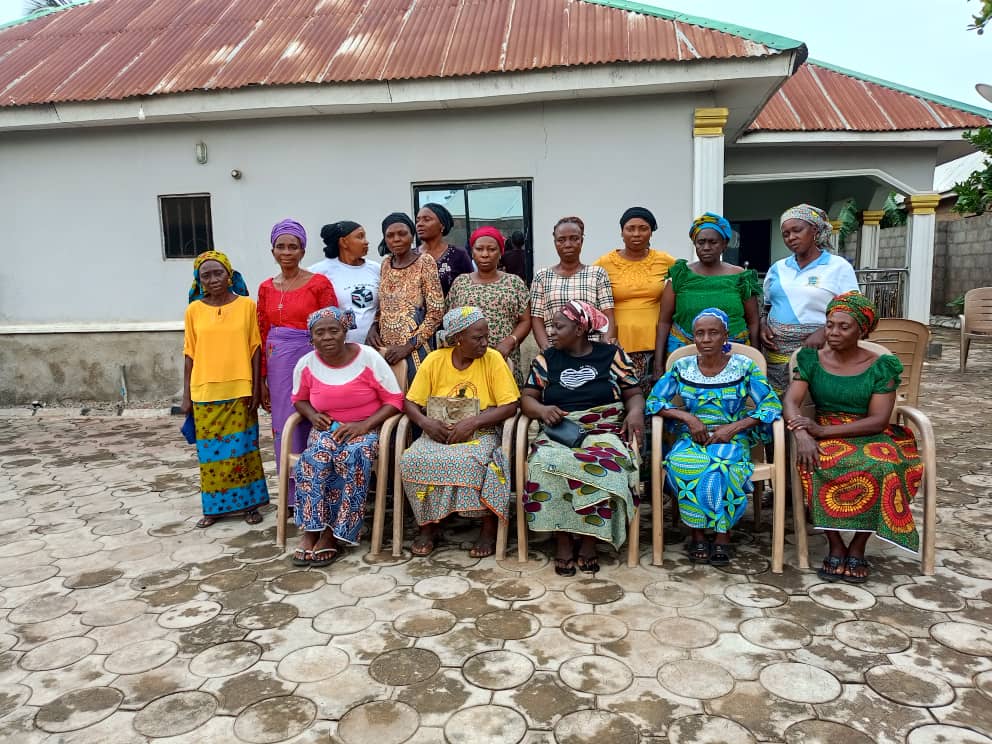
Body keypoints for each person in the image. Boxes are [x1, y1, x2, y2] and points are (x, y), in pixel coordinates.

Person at [784, 292, 922, 584]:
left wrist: (821, 432)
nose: (833, 332)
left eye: (843, 327)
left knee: (883, 466)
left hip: (868, 432)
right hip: (823, 429)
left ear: (863, 330)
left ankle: (858, 546)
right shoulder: (811, 359)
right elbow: (791, 401)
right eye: (830, 324)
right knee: (814, 461)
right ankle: (835, 544)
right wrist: (802, 432)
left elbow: (878, 420)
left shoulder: (881, 365)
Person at [646, 308, 782, 566]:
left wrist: (733, 428)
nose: (706, 339)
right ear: (693, 338)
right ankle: (697, 533)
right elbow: (654, 401)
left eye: (713, 333)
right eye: (700, 333)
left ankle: (722, 534)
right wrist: (688, 418)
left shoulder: (744, 367)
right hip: (693, 437)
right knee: (683, 463)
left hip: (732, 436)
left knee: (721, 466)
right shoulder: (682, 367)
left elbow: (771, 405)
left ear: (725, 336)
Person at [521, 301, 644, 575]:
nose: (551, 332)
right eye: (551, 325)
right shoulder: (546, 359)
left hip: (604, 430)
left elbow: (633, 393)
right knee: (543, 465)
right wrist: (542, 409)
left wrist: (635, 412)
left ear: (578, 329)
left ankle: (589, 540)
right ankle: (562, 540)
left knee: (606, 465)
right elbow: (527, 399)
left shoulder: (611, 355)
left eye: (558, 326)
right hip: (561, 431)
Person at [399, 307, 519, 558]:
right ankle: (429, 526)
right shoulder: (434, 360)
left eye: (486, 336)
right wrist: (425, 423)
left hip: (481, 432)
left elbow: (510, 405)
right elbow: (410, 402)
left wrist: (472, 423)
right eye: (478, 338)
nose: (485, 343)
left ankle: (487, 528)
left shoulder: (493, 359)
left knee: (472, 461)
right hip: (438, 431)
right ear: (457, 338)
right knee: (412, 459)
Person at [290, 307, 405, 567]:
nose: (327, 337)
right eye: (320, 332)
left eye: (334, 330)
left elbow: (395, 400)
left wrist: (364, 425)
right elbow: (299, 399)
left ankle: (333, 534)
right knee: (313, 460)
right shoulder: (306, 364)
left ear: (346, 333)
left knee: (351, 457)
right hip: (327, 429)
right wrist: (311, 415)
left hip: (366, 428)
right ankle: (311, 531)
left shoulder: (368, 357)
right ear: (312, 338)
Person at [181, 251, 269, 528]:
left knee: (243, 451)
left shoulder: (247, 306)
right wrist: (186, 395)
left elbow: (255, 349)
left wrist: (256, 387)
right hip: (205, 392)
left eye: (218, 273)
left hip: (240, 389)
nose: (213, 279)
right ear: (199, 281)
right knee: (210, 455)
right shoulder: (193, 310)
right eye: (205, 275)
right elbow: (189, 353)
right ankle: (214, 508)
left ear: (229, 275)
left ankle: (250, 505)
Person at [257, 219, 338, 506]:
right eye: (281, 246)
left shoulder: (318, 283)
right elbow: (263, 332)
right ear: (272, 251)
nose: (287, 252)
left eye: (293, 246)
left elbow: (332, 325)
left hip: (312, 358)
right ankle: (293, 498)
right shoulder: (266, 287)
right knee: (283, 425)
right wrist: (265, 379)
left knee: (314, 418)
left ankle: (321, 490)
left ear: (303, 251)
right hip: (278, 364)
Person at [762, 205, 859, 394]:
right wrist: (763, 323)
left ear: (814, 230)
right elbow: (767, 304)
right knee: (778, 404)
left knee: (812, 402)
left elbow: (853, 308)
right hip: (776, 354)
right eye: (786, 234)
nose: (791, 237)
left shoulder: (837, 266)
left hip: (820, 349)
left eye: (797, 230)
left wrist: (824, 332)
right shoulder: (778, 268)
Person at [653, 213, 761, 377]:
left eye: (713, 242)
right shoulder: (680, 275)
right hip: (684, 352)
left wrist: (756, 356)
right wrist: (658, 365)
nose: (706, 247)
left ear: (724, 244)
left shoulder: (741, 277)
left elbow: (753, 322)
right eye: (701, 242)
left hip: (733, 352)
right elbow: (664, 322)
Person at [594, 207, 676, 392]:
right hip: (617, 343)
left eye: (643, 228)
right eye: (630, 228)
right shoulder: (603, 263)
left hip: (657, 343)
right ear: (622, 233)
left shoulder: (666, 261)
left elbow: (685, 285)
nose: (636, 234)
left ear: (651, 232)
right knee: (622, 397)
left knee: (654, 397)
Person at [367, 212, 445, 384]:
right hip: (387, 348)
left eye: (402, 233)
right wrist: (373, 327)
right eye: (390, 235)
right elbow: (384, 304)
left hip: (415, 348)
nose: (396, 239)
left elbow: (436, 312)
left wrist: (408, 346)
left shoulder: (425, 262)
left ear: (412, 236)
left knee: (415, 398)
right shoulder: (386, 264)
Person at [448, 227, 531, 383]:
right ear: (472, 252)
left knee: (504, 400)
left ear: (500, 253)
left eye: (492, 249)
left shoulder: (514, 282)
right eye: (479, 249)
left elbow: (526, 320)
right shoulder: (460, 282)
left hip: (504, 356)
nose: (485, 254)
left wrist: (511, 340)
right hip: (467, 358)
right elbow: (452, 321)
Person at [531, 216, 616, 350]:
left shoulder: (597, 274)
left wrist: (606, 346)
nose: (568, 244)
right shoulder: (542, 276)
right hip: (556, 349)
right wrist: (546, 349)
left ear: (581, 241)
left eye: (574, 238)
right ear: (555, 242)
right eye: (561, 240)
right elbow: (537, 318)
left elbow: (608, 315)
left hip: (592, 350)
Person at [309, 221, 380, 345]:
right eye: (360, 236)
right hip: (340, 348)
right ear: (343, 242)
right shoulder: (320, 271)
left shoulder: (376, 269)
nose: (366, 241)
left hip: (374, 346)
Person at [416, 202, 473, 295]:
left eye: (426, 219)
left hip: (452, 309)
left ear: (442, 225)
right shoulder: (410, 256)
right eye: (418, 220)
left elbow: (470, 289)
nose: (419, 224)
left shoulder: (459, 255)